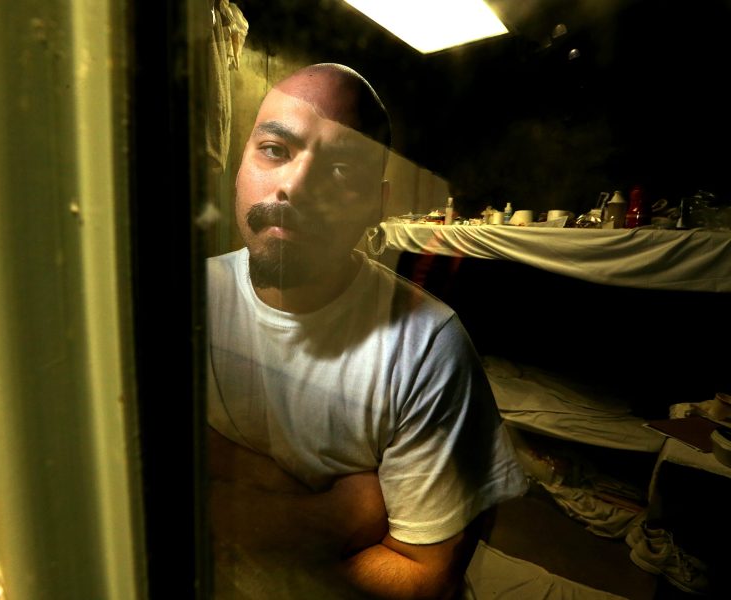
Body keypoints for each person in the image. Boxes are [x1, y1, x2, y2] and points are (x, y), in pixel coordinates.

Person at [206, 62, 527, 599]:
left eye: (338, 170)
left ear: (374, 207)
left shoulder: (426, 347)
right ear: (240, 166)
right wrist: (334, 517)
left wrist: (232, 503)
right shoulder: (190, 301)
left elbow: (426, 577)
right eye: (274, 150)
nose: (293, 186)